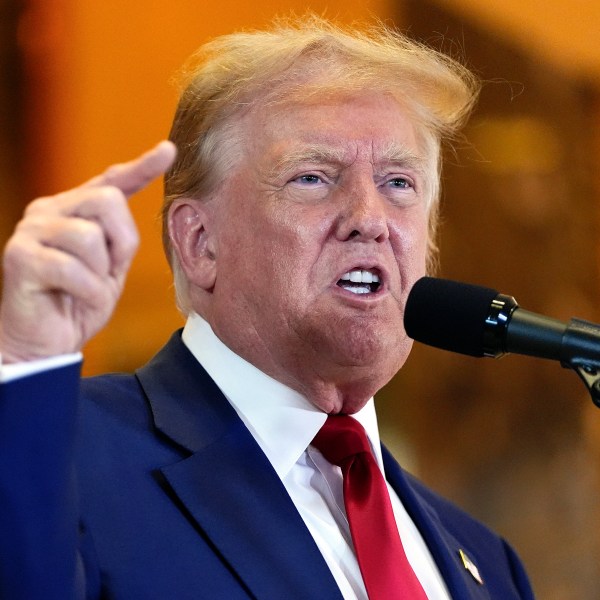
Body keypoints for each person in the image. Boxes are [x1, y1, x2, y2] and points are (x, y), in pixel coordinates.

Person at [0, 15, 535, 600]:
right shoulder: (60, 457)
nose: (370, 218)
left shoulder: (489, 563)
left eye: (399, 183)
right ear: (200, 243)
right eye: (312, 177)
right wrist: (26, 357)